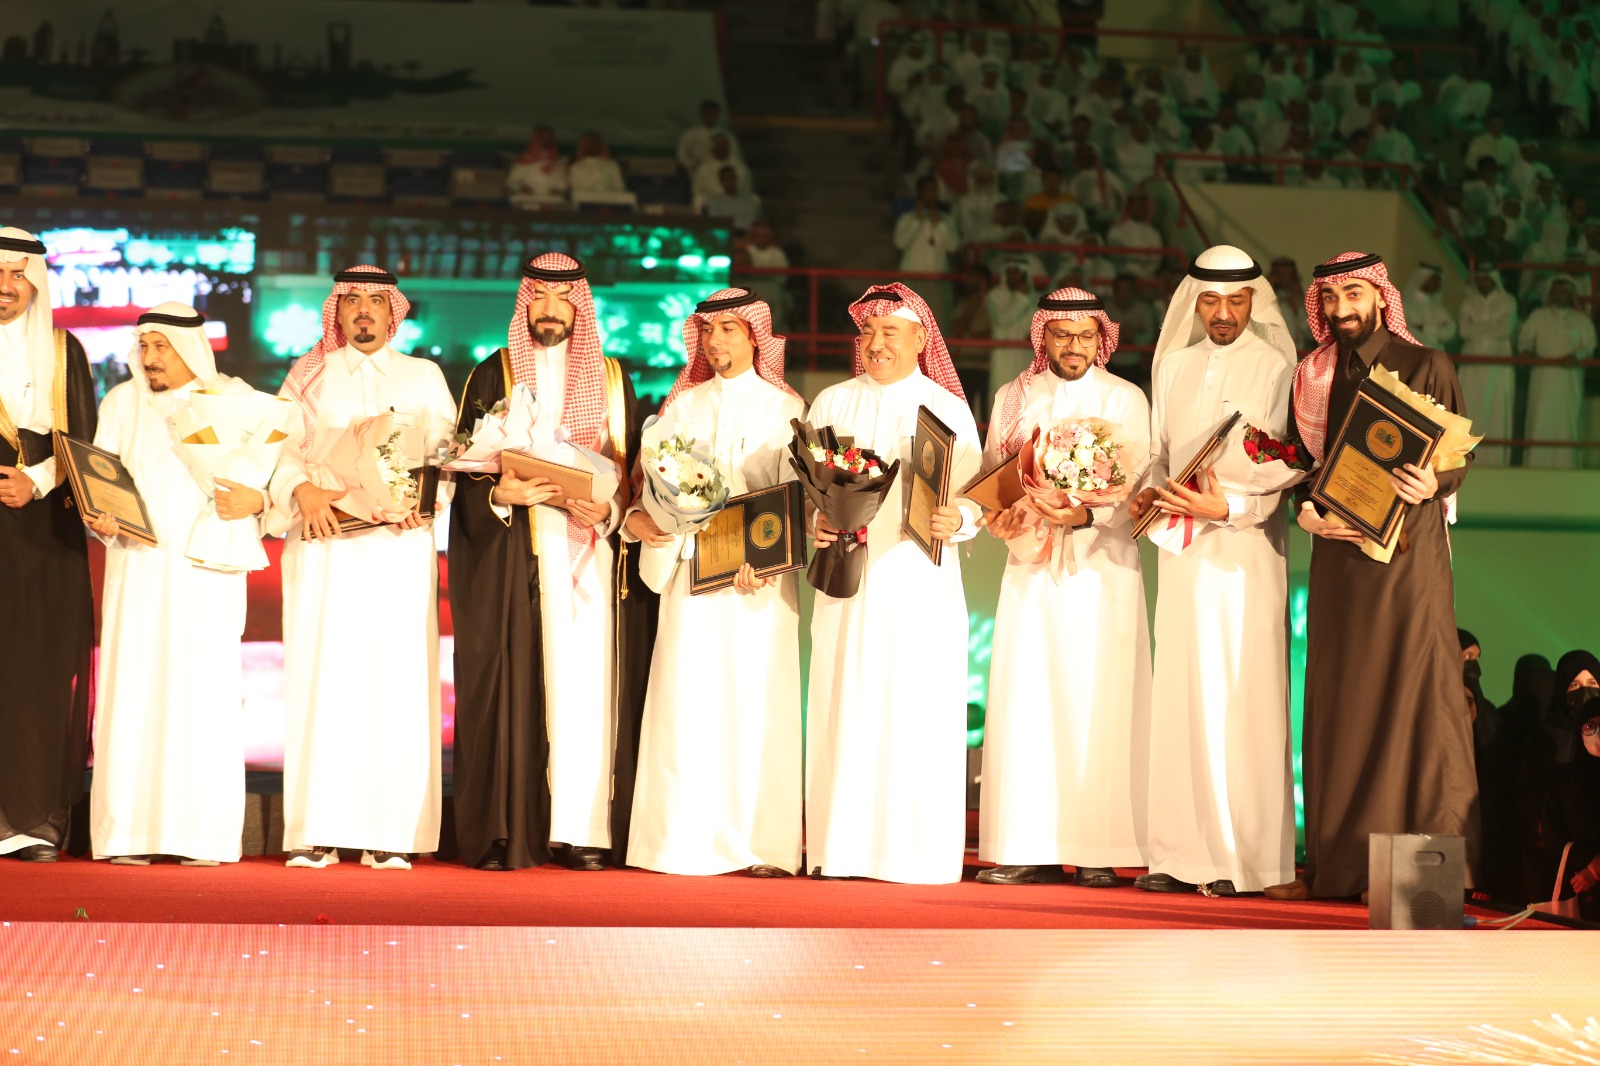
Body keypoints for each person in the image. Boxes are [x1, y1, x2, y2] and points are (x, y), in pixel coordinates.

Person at [1274, 251, 1477, 901]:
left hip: (1408, 556)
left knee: (1412, 695)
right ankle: (1338, 868)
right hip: (1338, 555)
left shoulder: (1426, 364)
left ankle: (1413, 878)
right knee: (1342, 699)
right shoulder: (1312, 374)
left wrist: (1435, 483)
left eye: (1354, 295)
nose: (1342, 310)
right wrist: (1304, 509)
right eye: (1330, 299)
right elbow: (1298, 462)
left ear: (1381, 297)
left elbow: (1456, 459)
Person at [448, 252, 653, 873]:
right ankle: (511, 830)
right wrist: (499, 496)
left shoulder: (614, 379)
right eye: (538, 297)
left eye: (563, 299)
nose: (550, 310)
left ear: (580, 307)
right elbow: (464, 470)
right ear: (525, 303)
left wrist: (611, 510)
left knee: (589, 686)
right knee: (519, 683)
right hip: (520, 554)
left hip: (594, 554)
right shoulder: (494, 374)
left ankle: (584, 831)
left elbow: (636, 474)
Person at [267, 266, 456, 871]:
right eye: (352, 300)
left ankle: (389, 831)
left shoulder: (422, 376)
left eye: (376, 300)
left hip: (397, 551)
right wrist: (300, 490)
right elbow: (275, 449)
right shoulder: (308, 375)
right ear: (338, 311)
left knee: (393, 681)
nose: (365, 310)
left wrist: (425, 501)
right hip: (325, 551)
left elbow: (448, 455)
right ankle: (316, 830)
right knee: (323, 679)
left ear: (393, 310)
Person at [1129, 245, 1299, 896]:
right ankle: (1179, 857)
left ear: (1254, 301)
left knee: (1242, 698)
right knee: (1181, 694)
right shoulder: (1172, 364)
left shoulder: (1278, 366)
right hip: (1181, 552)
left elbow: (1290, 463)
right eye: (1210, 301)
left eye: (1235, 300)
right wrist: (1148, 494)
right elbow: (1158, 454)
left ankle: (1246, 864)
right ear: (1193, 303)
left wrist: (1227, 506)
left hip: (1246, 552)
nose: (1223, 313)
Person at [624, 289, 805, 878]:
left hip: (758, 587)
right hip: (692, 581)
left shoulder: (784, 408)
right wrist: (645, 520)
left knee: (753, 705)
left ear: (755, 336)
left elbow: (795, 501)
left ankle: (759, 846)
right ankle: (678, 840)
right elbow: (649, 489)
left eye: (729, 328)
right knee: (687, 701)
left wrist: (768, 559)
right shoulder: (682, 407)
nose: (716, 340)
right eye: (708, 330)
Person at [805, 283, 982, 884]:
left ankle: (915, 853)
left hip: (918, 580)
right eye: (868, 332)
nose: (876, 343)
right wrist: (814, 521)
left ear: (920, 338)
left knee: (915, 704)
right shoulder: (832, 401)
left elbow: (976, 495)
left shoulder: (946, 408)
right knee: (844, 698)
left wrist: (962, 519)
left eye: (890, 332)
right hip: (847, 578)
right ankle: (840, 849)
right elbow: (805, 489)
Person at [976, 288, 1152, 888]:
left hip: (1104, 570)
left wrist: (1086, 514)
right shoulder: (1014, 396)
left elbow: (1139, 484)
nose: (1073, 347)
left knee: (1100, 701)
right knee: (1029, 699)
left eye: (1084, 336)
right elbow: (994, 476)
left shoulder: (1125, 398)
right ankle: (1029, 846)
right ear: (1043, 337)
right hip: (1031, 568)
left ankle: (1099, 848)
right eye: (1061, 335)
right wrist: (995, 516)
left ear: (1100, 337)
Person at [86, 304, 267, 867]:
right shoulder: (121, 403)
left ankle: (201, 836)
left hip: (205, 574)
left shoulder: (234, 402)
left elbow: (266, 478)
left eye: (162, 346)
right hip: (136, 569)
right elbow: (100, 479)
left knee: (202, 694)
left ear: (190, 348)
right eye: (144, 346)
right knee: (133, 691)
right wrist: (100, 519)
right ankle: (129, 836)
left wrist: (258, 499)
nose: (150, 357)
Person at [0, 227, 96, 864]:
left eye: (17, 274)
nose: (4, 287)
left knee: (36, 670)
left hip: (42, 530)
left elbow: (84, 442)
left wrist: (33, 481)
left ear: (36, 282)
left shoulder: (65, 351)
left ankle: (31, 820)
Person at [1519, 277, 1596, 468]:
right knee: (1540, 420)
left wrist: (1577, 356)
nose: (1560, 294)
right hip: (1542, 379)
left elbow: (1590, 346)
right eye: (1557, 290)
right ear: (1550, 294)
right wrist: (1526, 350)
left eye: (1565, 291)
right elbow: (1525, 338)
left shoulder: (1581, 320)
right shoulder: (1538, 316)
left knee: (1567, 422)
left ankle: (1567, 467)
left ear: (1572, 295)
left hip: (1569, 381)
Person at [1457, 264, 1518, 467]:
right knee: (1470, 408)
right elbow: (1464, 331)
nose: (1482, 282)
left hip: (1498, 364)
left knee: (1496, 410)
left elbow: (1506, 330)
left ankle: (1495, 460)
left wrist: (1477, 326)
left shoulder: (1508, 301)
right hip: (1472, 365)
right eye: (1479, 278)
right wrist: (1492, 324)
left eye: (1486, 278)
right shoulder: (1469, 302)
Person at [506, 127, 569, 208]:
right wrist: (522, 188)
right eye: (542, 137)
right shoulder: (522, 162)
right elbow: (511, 182)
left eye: (547, 137)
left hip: (551, 203)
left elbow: (563, 185)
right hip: (528, 202)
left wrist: (557, 190)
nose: (545, 140)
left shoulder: (558, 162)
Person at [1403, 264, 1458, 351]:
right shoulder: (1406, 304)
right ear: (1423, 278)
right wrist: (1436, 330)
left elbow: (1451, 329)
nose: (1436, 284)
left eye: (1437, 281)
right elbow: (1406, 329)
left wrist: (1425, 329)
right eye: (1433, 280)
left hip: (1436, 352)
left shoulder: (1438, 307)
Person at [677, 99, 740, 175]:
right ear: (702, 114)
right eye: (708, 114)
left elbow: (734, 154)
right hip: (697, 171)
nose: (711, 117)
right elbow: (682, 155)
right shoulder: (690, 134)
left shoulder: (727, 135)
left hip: (722, 171)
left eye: (714, 114)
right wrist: (692, 165)